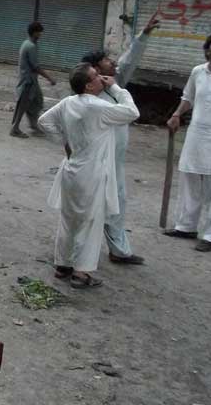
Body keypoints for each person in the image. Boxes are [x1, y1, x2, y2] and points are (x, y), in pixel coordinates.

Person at [37, 63, 140, 288]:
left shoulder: (68, 103)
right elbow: (133, 112)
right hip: (92, 173)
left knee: (69, 220)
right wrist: (116, 89)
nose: (101, 79)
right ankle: (81, 273)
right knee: (90, 222)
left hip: (72, 169)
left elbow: (44, 121)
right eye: (96, 77)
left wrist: (65, 143)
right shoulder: (98, 106)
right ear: (88, 85)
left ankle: (63, 265)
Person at [81, 14, 160, 265]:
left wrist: (144, 34)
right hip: (95, 164)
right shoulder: (87, 95)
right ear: (94, 69)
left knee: (116, 207)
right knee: (89, 210)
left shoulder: (116, 87)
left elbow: (128, 60)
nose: (112, 62)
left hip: (115, 164)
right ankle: (73, 255)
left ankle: (119, 251)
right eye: (106, 60)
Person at [164, 32, 211, 252]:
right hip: (196, 133)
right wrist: (176, 115)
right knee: (189, 178)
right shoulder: (198, 71)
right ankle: (186, 226)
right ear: (208, 50)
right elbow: (188, 97)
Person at [10, 22, 57, 138]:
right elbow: (36, 67)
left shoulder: (29, 44)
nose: (41, 34)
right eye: (40, 32)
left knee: (37, 102)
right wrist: (50, 78)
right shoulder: (30, 46)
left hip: (31, 80)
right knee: (23, 105)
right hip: (28, 81)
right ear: (34, 32)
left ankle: (33, 126)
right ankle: (15, 128)